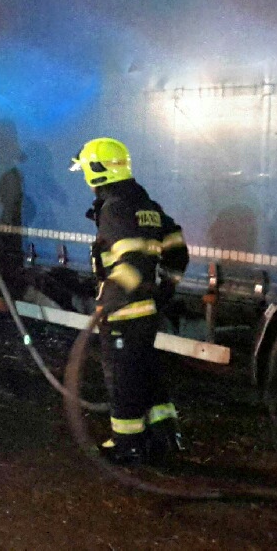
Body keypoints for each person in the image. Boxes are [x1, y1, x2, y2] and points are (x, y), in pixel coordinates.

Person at [70, 137, 189, 465]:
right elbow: (178, 250)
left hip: (124, 312)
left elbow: (132, 261)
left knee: (122, 379)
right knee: (146, 371)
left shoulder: (115, 208)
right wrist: (165, 289)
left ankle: (128, 444)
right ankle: (165, 436)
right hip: (147, 310)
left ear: (96, 171)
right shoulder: (147, 205)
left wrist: (109, 300)